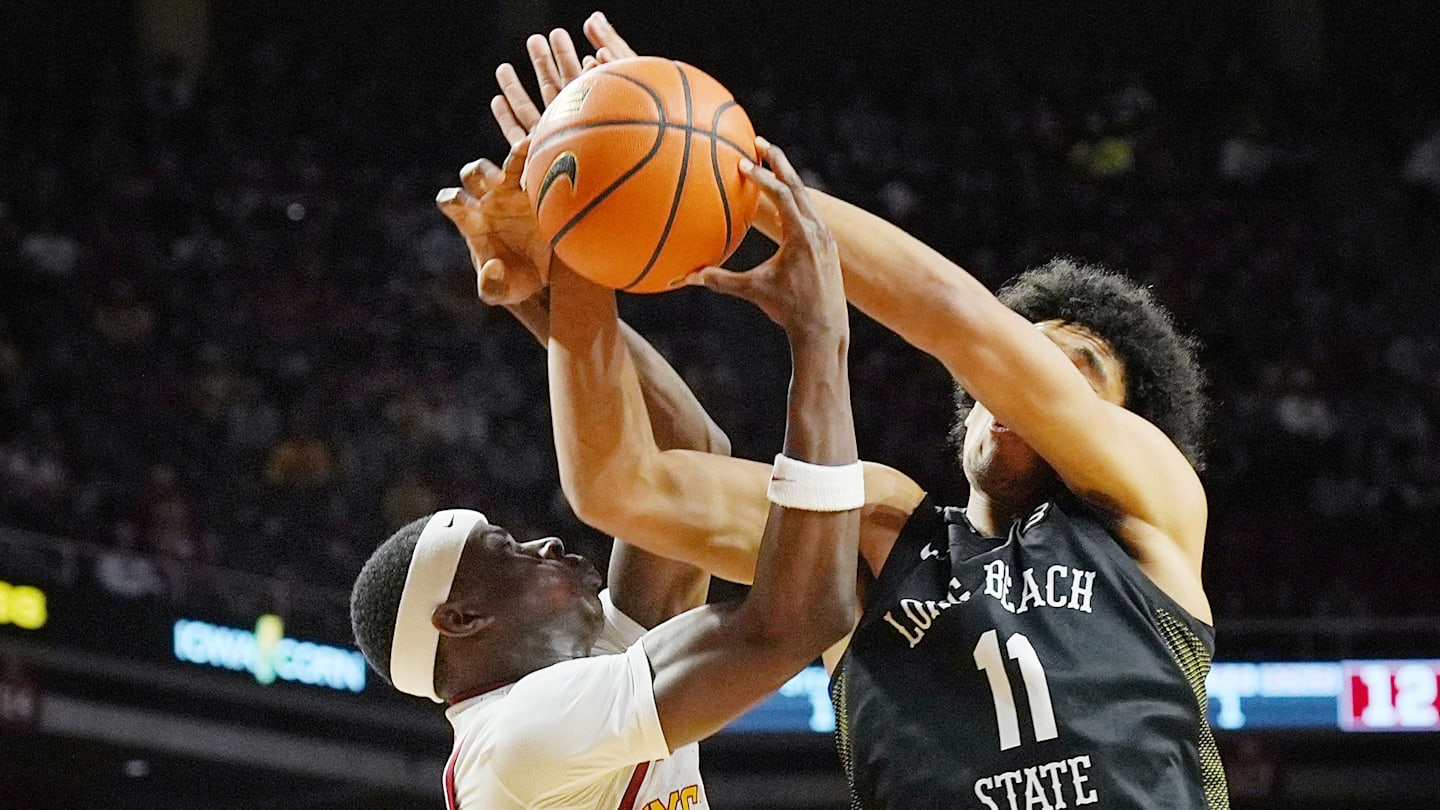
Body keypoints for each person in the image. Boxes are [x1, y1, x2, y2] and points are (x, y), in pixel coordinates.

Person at [474, 16, 1229, 809]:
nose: (1022, 384)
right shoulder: (872, 529)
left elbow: (959, 320)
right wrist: (577, 233)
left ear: (1126, 424)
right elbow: (623, 486)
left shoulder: (1151, 518)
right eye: (1026, 359)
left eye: (1074, 372)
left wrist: (731, 173)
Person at [350, 138, 864, 809]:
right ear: (464, 617)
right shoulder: (520, 737)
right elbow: (794, 622)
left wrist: (545, 297)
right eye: (508, 549)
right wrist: (819, 336)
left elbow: (688, 450)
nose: (547, 544)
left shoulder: (579, 677)